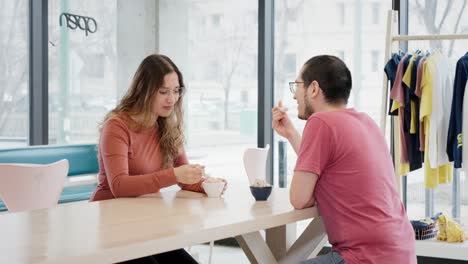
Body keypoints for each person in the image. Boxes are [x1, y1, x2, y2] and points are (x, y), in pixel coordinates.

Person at [272, 55, 416, 264]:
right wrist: (292, 134)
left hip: (363, 257)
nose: (295, 96)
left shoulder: (320, 122)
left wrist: (314, 191)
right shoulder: (366, 122)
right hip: (401, 251)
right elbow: (330, 166)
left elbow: (299, 199)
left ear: (313, 88)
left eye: (297, 86)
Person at [90, 54, 226, 264]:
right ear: (143, 91)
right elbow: (119, 185)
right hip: (114, 228)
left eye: (176, 91)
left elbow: (182, 174)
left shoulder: (167, 124)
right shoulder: (117, 126)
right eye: (163, 92)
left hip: (147, 224)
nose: (171, 99)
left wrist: (205, 183)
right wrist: (173, 174)